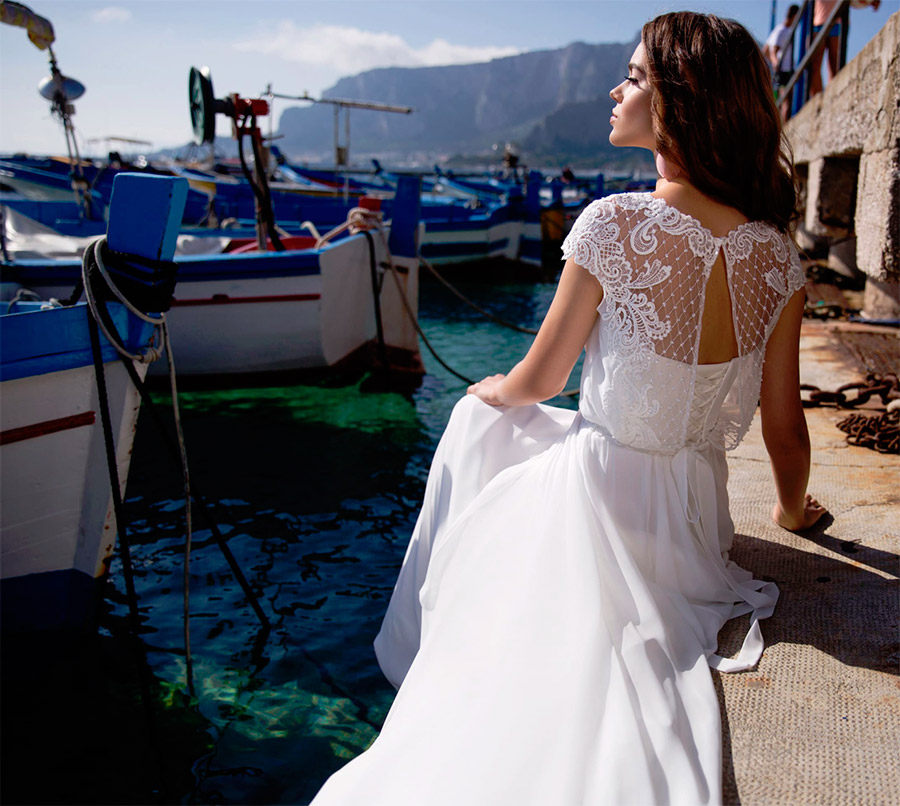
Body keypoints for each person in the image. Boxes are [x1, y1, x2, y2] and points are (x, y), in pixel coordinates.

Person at [311, 11, 826, 805]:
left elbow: (539, 380)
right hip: (694, 519)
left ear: (678, 101)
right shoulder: (777, 258)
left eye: (634, 76)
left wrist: (485, 392)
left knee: (477, 419)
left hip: (604, 506)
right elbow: (786, 433)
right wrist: (792, 515)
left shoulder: (615, 224)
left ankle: (420, 642)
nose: (615, 90)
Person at [809, 0, 881, 97]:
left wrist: (870, 1)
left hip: (837, 22)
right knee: (814, 66)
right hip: (817, 23)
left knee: (835, 65)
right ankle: (817, 103)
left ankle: (833, 97)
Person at [764, 4, 800, 119]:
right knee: (786, 99)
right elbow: (773, 49)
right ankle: (784, 125)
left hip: (782, 69)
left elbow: (765, 49)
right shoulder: (783, 30)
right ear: (794, 16)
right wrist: (775, 63)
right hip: (784, 70)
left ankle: (780, 124)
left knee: (782, 99)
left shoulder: (778, 30)